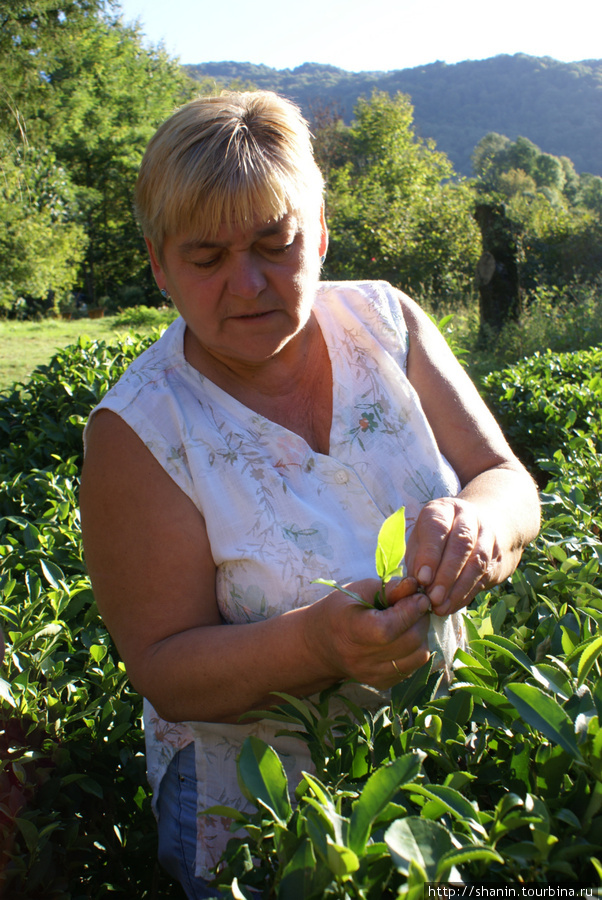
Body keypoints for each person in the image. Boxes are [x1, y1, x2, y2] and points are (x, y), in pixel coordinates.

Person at [79, 90, 540, 897]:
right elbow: (162, 666)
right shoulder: (141, 430)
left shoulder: (385, 322)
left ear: (319, 231)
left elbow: (506, 478)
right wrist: (316, 646)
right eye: (207, 257)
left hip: (435, 760)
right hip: (263, 817)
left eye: (275, 242)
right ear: (159, 265)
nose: (248, 282)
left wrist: (480, 526)